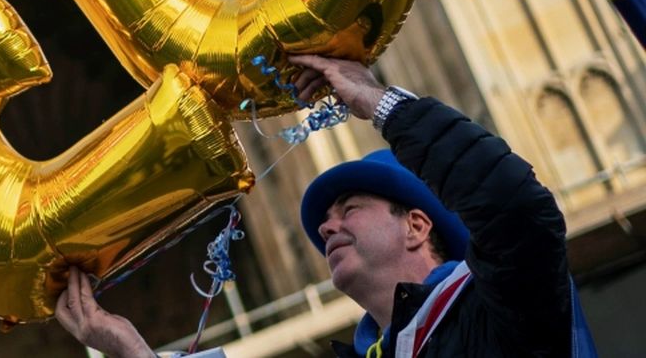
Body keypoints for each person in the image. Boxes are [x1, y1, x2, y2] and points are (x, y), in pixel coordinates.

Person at [54, 52, 583, 357]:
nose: (327, 227)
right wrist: (130, 352)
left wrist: (379, 102)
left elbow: (518, 211)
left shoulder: (501, 314)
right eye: (327, 220)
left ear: (417, 226)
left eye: (349, 208)